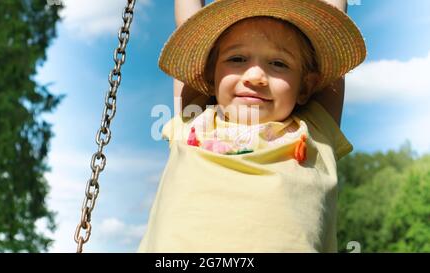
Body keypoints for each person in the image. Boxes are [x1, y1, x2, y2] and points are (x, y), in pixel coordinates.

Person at [138, 0, 366, 252]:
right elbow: (186, 24)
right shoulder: (194, 119)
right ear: (209, 76)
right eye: (237, 58)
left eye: (279, 64)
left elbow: (331, 22)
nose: (255, 76)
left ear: (306, 86)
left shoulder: (315, 131)